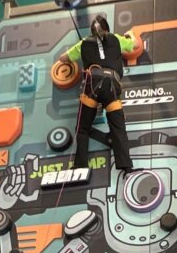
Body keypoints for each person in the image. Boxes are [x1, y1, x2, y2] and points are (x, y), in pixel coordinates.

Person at [58, 14, 136, 172]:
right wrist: (131, 35)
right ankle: (126, 167)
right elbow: (133, 45)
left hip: (91, 86)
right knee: (118, 127)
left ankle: (80, 166)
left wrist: (81, 49)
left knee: (82, 128)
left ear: (91, 31)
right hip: (111, 86)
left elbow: (63, 58)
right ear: (107, 29)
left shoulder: (83, 43)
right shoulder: (116, 38)